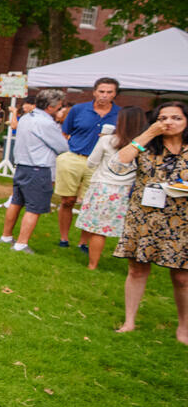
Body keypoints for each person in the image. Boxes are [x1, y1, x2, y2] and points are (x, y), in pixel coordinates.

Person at [112, 102, 188, 343]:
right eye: (163, 117)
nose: (169, 122)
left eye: (176, 117)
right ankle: (129, 321)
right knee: (137, 269)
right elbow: (118, 163)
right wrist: (148, 134)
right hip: (144, 216)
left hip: (182, 219)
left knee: (182, 277)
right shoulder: (146, 145)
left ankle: (184, 328)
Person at [0, 89, 68, 253]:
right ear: (51, 106)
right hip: (38, 167)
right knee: (34, 207)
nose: (59, 109)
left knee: (16, 201)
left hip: (22, 165)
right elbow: (62, 146)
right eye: (59, 106)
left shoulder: (26, 117)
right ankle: (21, 243)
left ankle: (6, 236)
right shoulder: (46, 123)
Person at [76, 106, 146, 269]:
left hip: (103, 187)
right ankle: (135, 266)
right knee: (126, 229)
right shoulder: (144, 146)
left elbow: (91, 162)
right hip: (127, 190)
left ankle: (92, 264)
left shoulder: (107, 140)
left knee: (98, 230)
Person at [55, 77, 120, 248]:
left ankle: (83, 242)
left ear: (115, 94)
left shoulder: (120, 114)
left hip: (101, 164)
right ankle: (64, 238)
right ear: (94, 92)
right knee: (67, 200)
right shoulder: (78, 109)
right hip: (75, 157)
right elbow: (65, 133)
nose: (104, 95)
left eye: (109, 92)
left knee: (91, 204)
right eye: (101, 91)